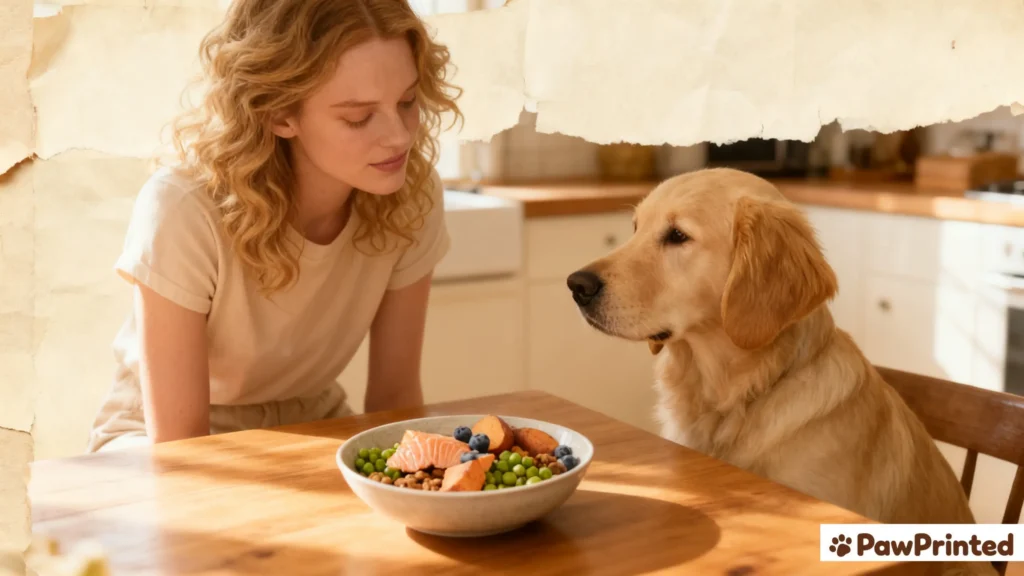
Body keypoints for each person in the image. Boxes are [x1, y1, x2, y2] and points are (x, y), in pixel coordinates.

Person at [85, 0, 463, 452]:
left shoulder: (410, 195)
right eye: (358, 117)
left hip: (315, 419)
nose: (400, 136)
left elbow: (394, 399)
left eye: (407, 101)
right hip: (155, 441)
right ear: (278, 113)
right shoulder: (184, 209)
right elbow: (179, 454)